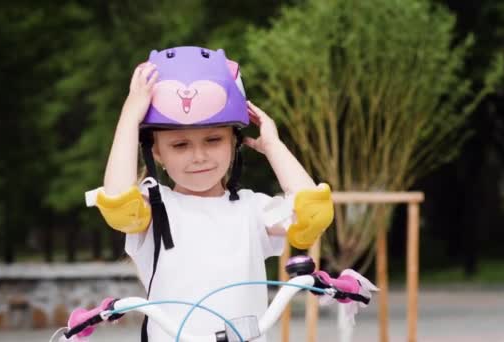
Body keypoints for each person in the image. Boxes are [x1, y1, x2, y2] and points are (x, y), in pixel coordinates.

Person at [85, 46, 334, 342]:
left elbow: (312, 215)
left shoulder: (252, 209)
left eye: (213, 140)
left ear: (234, 142)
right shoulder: (156, 206)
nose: (199, 156)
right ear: (157, 153)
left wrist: (274, 147)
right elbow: (117, 204)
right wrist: (130, 116)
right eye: (180, 145)